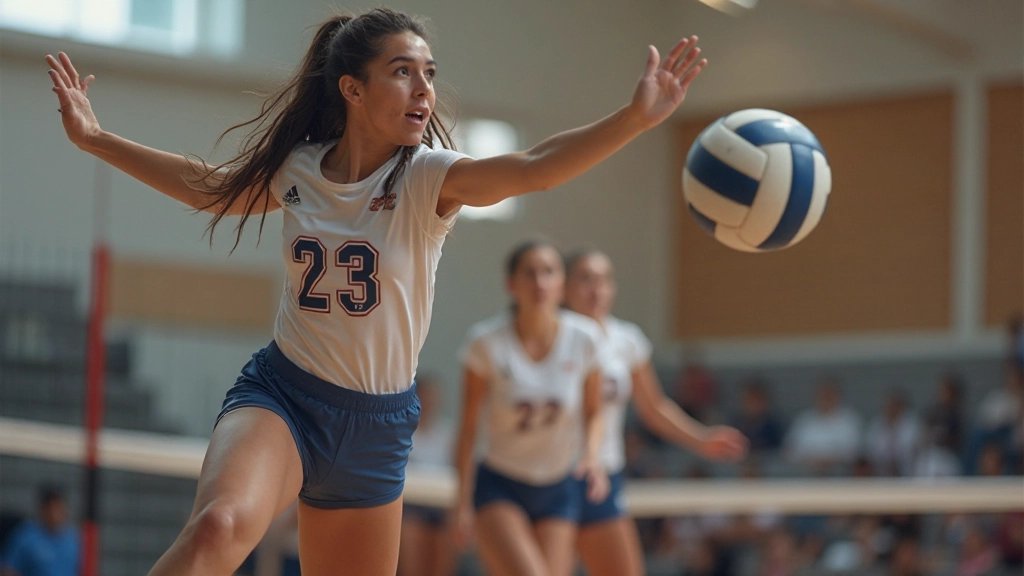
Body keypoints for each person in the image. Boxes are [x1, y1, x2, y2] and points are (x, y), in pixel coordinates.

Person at [46, 7, 706, 574]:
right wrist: (96, 139)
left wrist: (634, 119)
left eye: (429, 74)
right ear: (352, 89)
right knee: (218, 528)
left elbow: (534, 168)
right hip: (284, 397)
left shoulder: (428, 178)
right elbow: (211, 187)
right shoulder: (299, 169)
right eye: (402, 71)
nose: (424, 88)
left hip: (376, 428)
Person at [562, 249, 748, 576]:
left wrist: (701, 438)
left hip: (603, 473)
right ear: (565, 287)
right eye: (586, 279)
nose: (597, 289)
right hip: (552, 474)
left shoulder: (626, 339)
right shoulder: (553, 335)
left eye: (604, 280)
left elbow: (653, 406)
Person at [452, 241, 609, 576]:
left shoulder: (585, 338)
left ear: (562, 283)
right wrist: (461, 501)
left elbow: (594, 411)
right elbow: (468, 427)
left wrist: (592, 455)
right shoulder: (485, 343)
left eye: (549, 272)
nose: (540, 282)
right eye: (530, 273)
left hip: (559, 485)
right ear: (511, 284)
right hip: (501, 484)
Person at [398, 377, 458, 576]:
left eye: (434, 397)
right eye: (426, 396)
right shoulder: (402, 434)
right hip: (410, 508)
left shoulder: (447, 435)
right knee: (412, 568)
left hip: (441, 509)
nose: (431, 402)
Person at [0, 487, 79, 576]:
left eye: (58, 507)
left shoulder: (74, 539)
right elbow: (8, 569)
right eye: (50, 508)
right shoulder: (25, 536)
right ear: (42, 509)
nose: (54, 513)